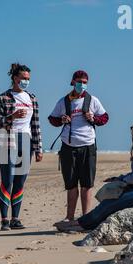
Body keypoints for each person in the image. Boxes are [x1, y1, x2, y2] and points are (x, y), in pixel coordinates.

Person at [55, 117, 133, 232]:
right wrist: (119, 178)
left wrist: (123, 180)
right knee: (107, 201)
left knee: (110, 204)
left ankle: (80, 224)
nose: (131, 132)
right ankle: (82, 222)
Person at [49, 70, 109, 223]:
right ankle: (69, 217)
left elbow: (105, 118)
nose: (81, 84)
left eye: (84, 82)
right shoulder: (64, 101)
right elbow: (52, 119)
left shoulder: (93, 100)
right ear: (72, 82)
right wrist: (62, 119)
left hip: (88, 146)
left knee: (87, 184)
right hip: (68, 147)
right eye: (79, 81)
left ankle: (85, 217)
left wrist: (93, 118)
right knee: (70, 184)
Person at [0, 63, 43, 231]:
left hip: (26, 140)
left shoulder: (32, 98)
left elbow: (36, 125)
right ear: (15, 78)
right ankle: (4, 220)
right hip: (7, 139)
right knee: (8, 180)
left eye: (28, 79)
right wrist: (11, 116)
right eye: (23, 78)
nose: (26, 82)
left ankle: (15, 218)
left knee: (20, 181)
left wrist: (38, 148)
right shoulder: (2, 98)